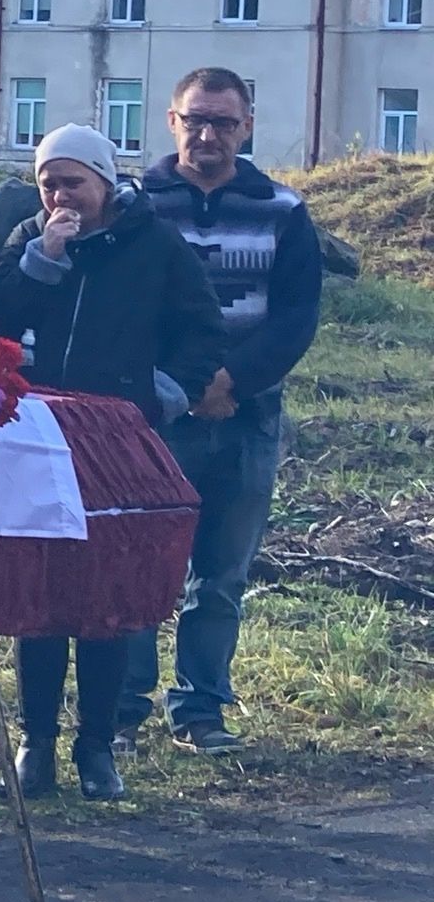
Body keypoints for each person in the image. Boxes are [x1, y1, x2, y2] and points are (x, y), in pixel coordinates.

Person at [0, 124, 225, 802]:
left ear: (104, 182)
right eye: (48, 183)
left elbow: (203, 329)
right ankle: (37, 743)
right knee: (43, 596)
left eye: (73, 183)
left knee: (107, 598)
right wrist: (42, 259)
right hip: (42, 438)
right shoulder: (31, 237)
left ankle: (97, 746)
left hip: (118, 441)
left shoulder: (154, 244)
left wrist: (162, 397)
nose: (60, 195)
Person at [126, 67, 323, 753]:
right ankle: (123, 709)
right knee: (139, 563)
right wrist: (175, 385)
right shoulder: (134, 204)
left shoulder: (285, 210)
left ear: (247, 127)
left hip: (246, 416)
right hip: (153, 418)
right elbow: (123, 307)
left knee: (220, 575)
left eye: (224, 122)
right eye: (195, 119)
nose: (208, 134)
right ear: (171, 121)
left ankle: (200, 710)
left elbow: (297, 317)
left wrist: (232, 383)